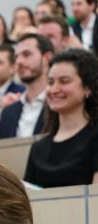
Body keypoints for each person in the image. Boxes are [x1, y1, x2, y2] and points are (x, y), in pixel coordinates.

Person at [25, 48, 98, 187]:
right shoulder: (38, 148)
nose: (54, 90)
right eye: (51, 82)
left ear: (88, 88)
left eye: (64, 81)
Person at [0, 34, 54, 139]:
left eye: (26, 54)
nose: (19, 61)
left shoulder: (59, 105)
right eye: (16, 57)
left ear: (47, 58)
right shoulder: (8, 112)